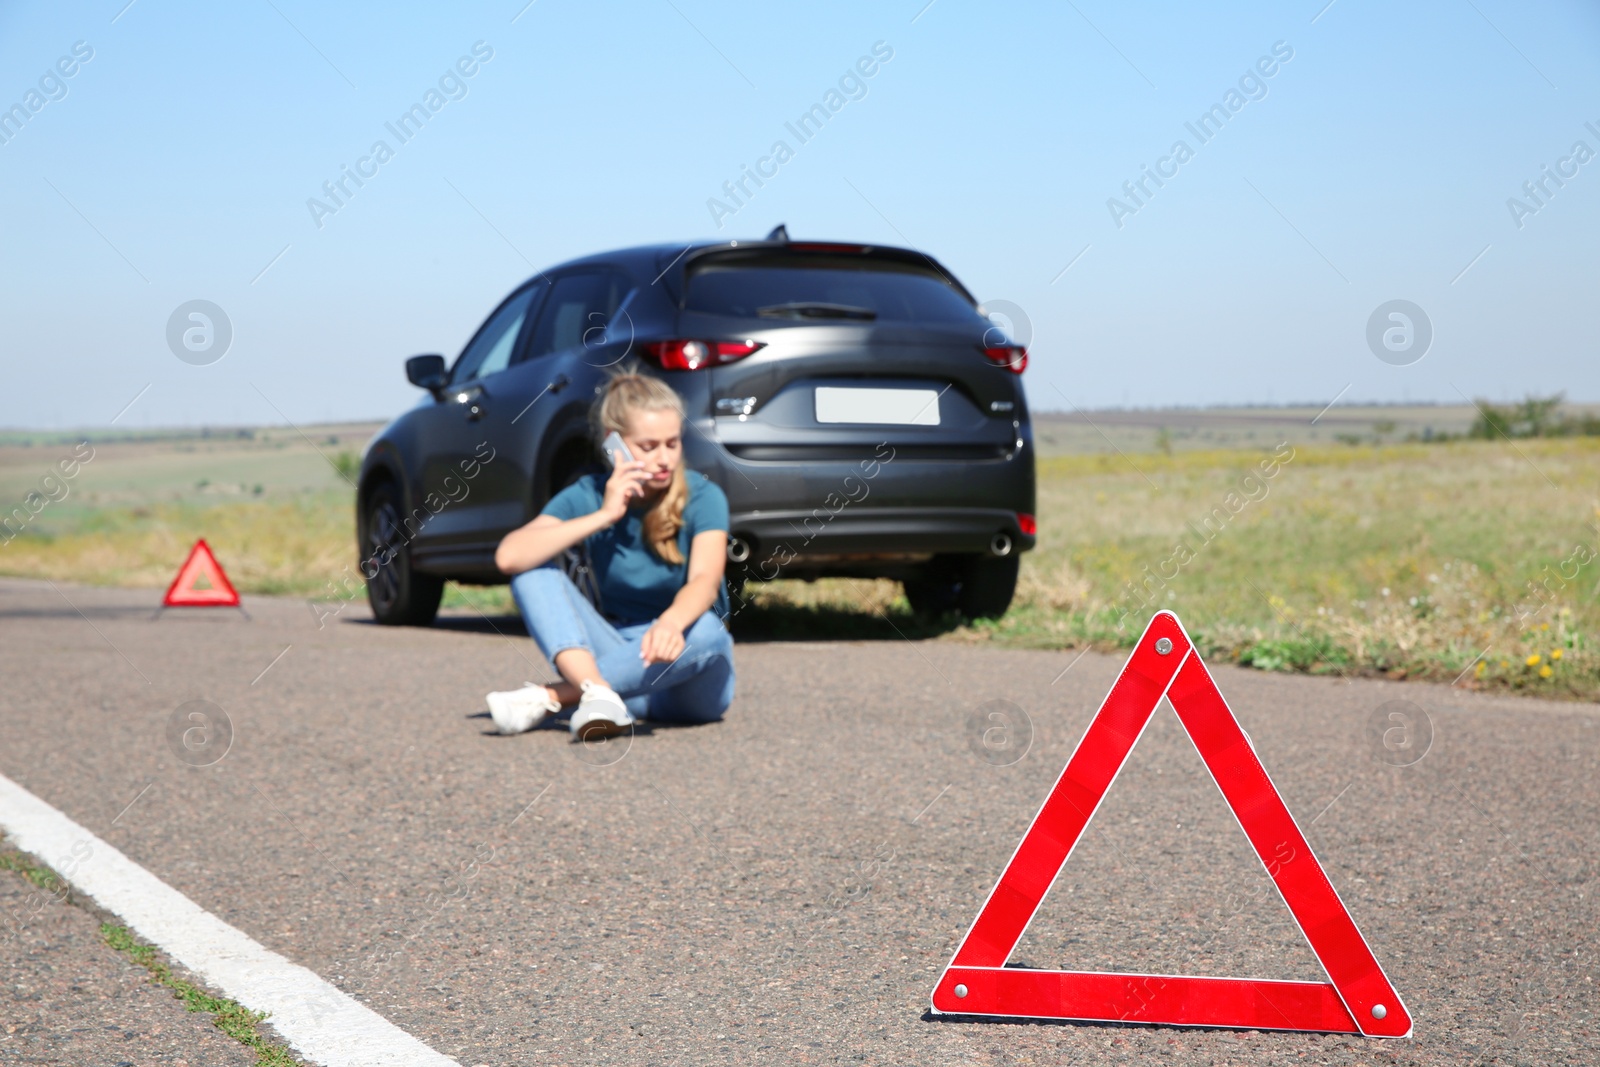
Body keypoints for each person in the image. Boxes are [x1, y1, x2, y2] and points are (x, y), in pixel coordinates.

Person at [486, 373, 735, 739]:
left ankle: (559, 695)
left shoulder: (704, 496)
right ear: (612, 445)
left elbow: (705, 581)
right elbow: (509, 557)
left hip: (689, 677)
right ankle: (601, 694)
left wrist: (669, 623)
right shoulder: (588, 493)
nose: (664, 458)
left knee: (710, 631)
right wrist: (604, 515)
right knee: (531, 571)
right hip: (622, 654)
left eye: (672, 443)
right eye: (648, 446)